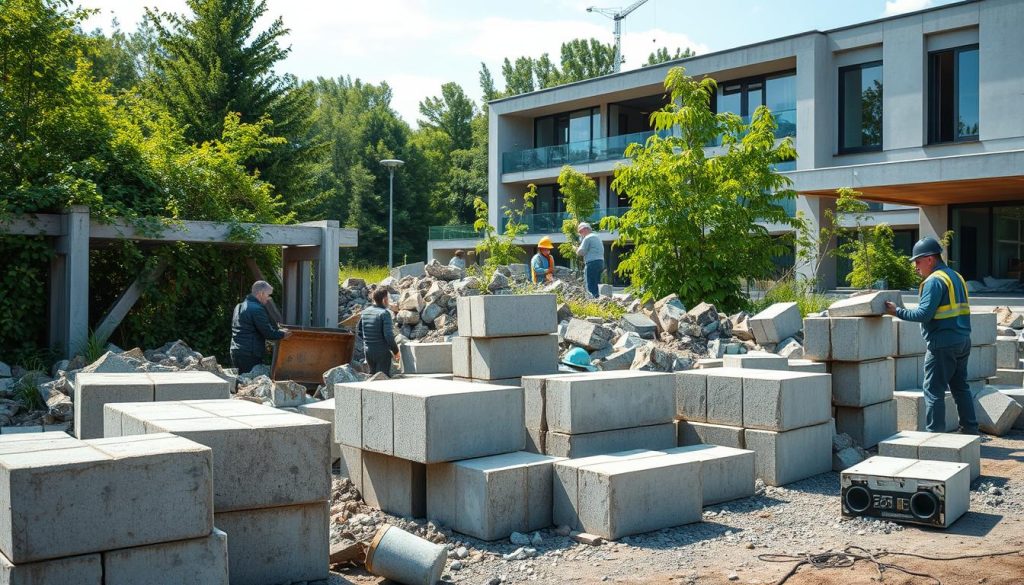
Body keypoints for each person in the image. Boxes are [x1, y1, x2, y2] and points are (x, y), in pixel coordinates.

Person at [884, 236, 978, 434]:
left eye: (917, 261)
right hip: (962, 340)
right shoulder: (955, 276)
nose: (915, 266)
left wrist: (897, 311)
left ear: (930, 259)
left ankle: (935, 437)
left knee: (933, 390)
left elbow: (923, 314)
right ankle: (970, 431)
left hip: (942, 344)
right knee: (960, 388)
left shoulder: (934, 281)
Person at [230, 280, 290, 374]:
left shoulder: (239, 306)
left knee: (241, 382)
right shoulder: (257, 309)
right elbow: (268, 333)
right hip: (250, 354)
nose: (269, 298)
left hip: (235, 351)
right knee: (250, 384)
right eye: (268, 295)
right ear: (261, 293)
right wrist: (283, 334)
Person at [359, 287, 399, 375]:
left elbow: (359, 332)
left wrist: (367, 344)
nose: (388, 301)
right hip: (382, 352)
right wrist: (396, 352)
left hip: (368, 351)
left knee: (373, 377)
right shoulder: (384, 313)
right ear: (384, 299)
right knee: (382, 379)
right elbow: (388, 336)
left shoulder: (365, 312)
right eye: (388, 298)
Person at [575, 222, 604, 298]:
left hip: (592, 262)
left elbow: (581, 252)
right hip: (600, 262)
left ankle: (592, 301)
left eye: (580, 231)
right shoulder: (597, 237)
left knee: (590, 284)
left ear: (586, 229)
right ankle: (598, 299)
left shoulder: (587, 238)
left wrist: (576, 249)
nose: (580, 234)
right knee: (596, 283)